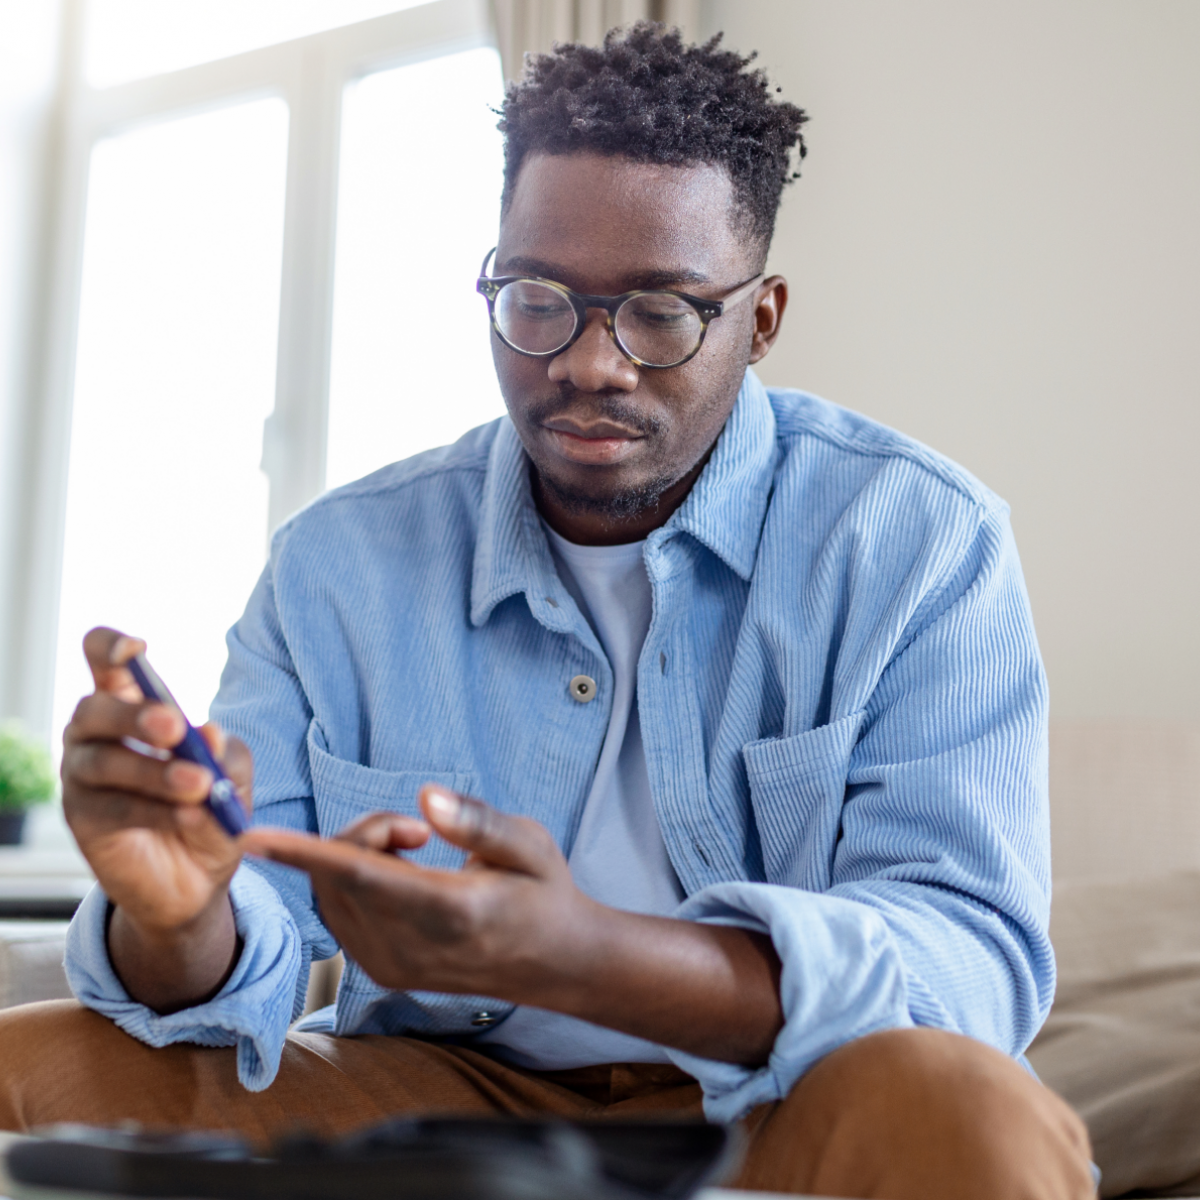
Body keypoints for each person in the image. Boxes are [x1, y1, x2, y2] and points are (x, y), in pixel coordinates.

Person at [0, 23, 1093, 1200]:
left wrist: (587, 958)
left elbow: (966, 965)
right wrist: (177, 917)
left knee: (972, 1113)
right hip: (434, 1094)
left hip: (774, 1100)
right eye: (538, 298)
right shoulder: (341, 562)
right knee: (27, 1066)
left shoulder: (919, 540)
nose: (591, 364)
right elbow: (243, 934)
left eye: (663, 312)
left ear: (762, 319)